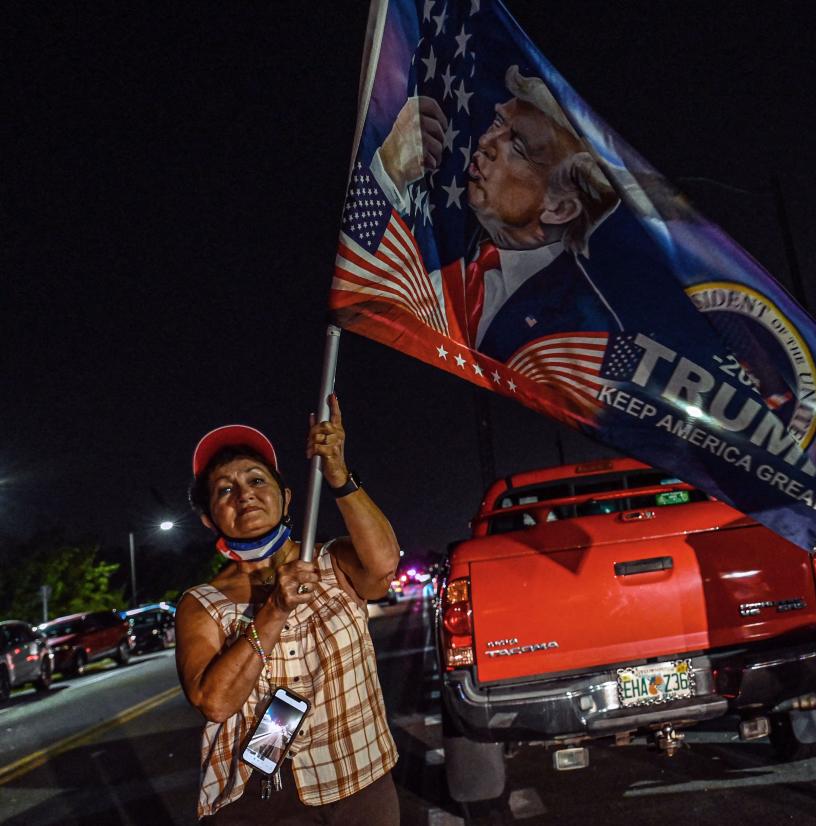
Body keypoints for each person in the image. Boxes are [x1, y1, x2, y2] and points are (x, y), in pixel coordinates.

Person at [175, 395, 400, 823]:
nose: (244, 495)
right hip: (261, 798)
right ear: (209, 518)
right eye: (225, 489)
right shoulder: (204, 602)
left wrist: (338, 473)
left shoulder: (334, 561)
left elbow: (384, 566)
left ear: (287, 495)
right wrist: (274, 609)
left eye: (257, 481)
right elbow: (216, 703)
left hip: (359, 778)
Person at [371, 66, 624, 363]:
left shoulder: (584, 331)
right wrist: (389, 174)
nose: (485, 142)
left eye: (517, 146)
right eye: (497, 123)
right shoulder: (454, 270)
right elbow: (365, 299)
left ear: (560, 208)